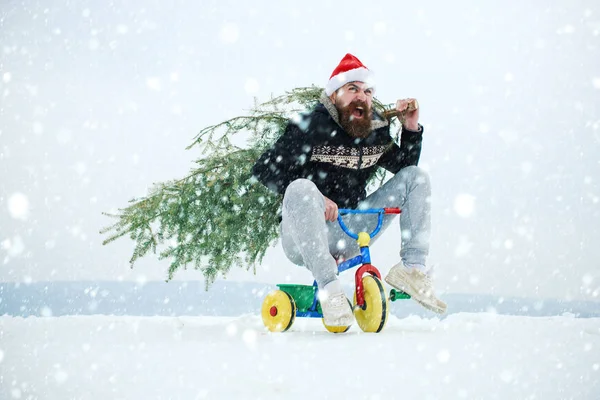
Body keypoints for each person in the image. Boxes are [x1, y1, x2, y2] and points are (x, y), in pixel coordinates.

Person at [252, 53, 446, 327]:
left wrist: (411, 128)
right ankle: (330, 290)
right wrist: (318, 198)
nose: (361, 97)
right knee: (301, 187)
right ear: (334, 96)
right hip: (304, 235)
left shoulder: (374, 131)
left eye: (367, 92)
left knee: (416, 177)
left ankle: (412, 269)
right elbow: (264, 170)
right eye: (352, 89)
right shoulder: (309, 126)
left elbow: (404, 169)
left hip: (351, 228)